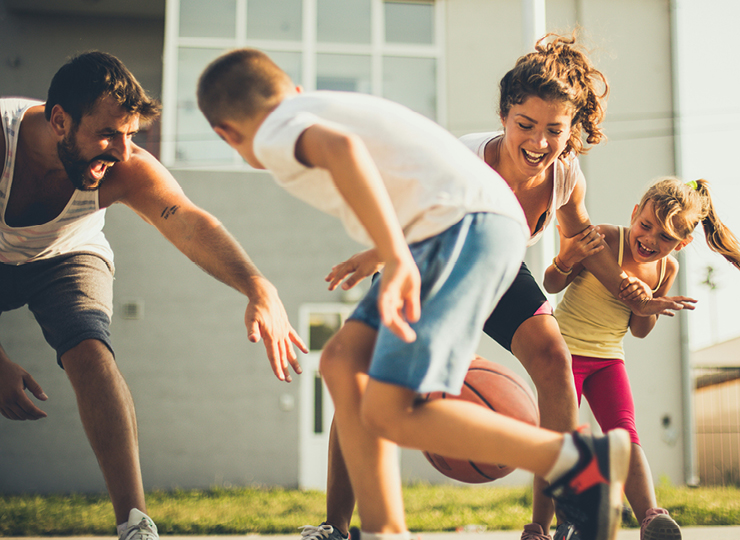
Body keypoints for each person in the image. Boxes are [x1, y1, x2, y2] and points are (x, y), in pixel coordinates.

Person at [197, 47, 633, 540]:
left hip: (460, 230)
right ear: (292, 90)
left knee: (392, 410)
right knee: (342, 361)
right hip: (460, 227)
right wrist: (387, 252)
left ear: (227, 135)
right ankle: (379, 527)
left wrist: (393, 253)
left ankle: (578, 464)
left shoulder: (271, 129)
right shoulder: (310, 105)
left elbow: (343, 152)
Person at [309, 34, 694, 540]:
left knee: (554, 359)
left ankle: (574, 512)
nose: (538, 142)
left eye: (554, 130)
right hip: (425, 261)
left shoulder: (566, 174)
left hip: (497, 264)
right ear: (504, 117)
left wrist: (626, 287)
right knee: (357, 378)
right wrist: (373, 256)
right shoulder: (466, 163)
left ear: (571, 129)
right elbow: (412, 221)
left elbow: (580, 234)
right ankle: (336, 527)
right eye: (525, 126)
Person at [0, 52, 307, 540]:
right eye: (107, 135)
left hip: (64, 252)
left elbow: (187, 221)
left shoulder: (125, 167)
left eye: (131, 135)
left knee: (91, 353)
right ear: (59, 119)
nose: (122, 152)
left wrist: (257, 285)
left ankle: (135, 525)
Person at [543, 177, 737, 540]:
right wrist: (566, 257)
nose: (649, 240)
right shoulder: (605, 238)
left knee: (625, 434)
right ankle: (542, 526)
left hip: (608, 360)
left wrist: (646, 301)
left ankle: (651, 517)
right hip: (564, 354)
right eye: (645, 225)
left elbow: (639, 330)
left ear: (682, 244)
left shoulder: (667, 270)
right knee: (559, 439)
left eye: (664, 238)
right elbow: (552, 283)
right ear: (635, 214)